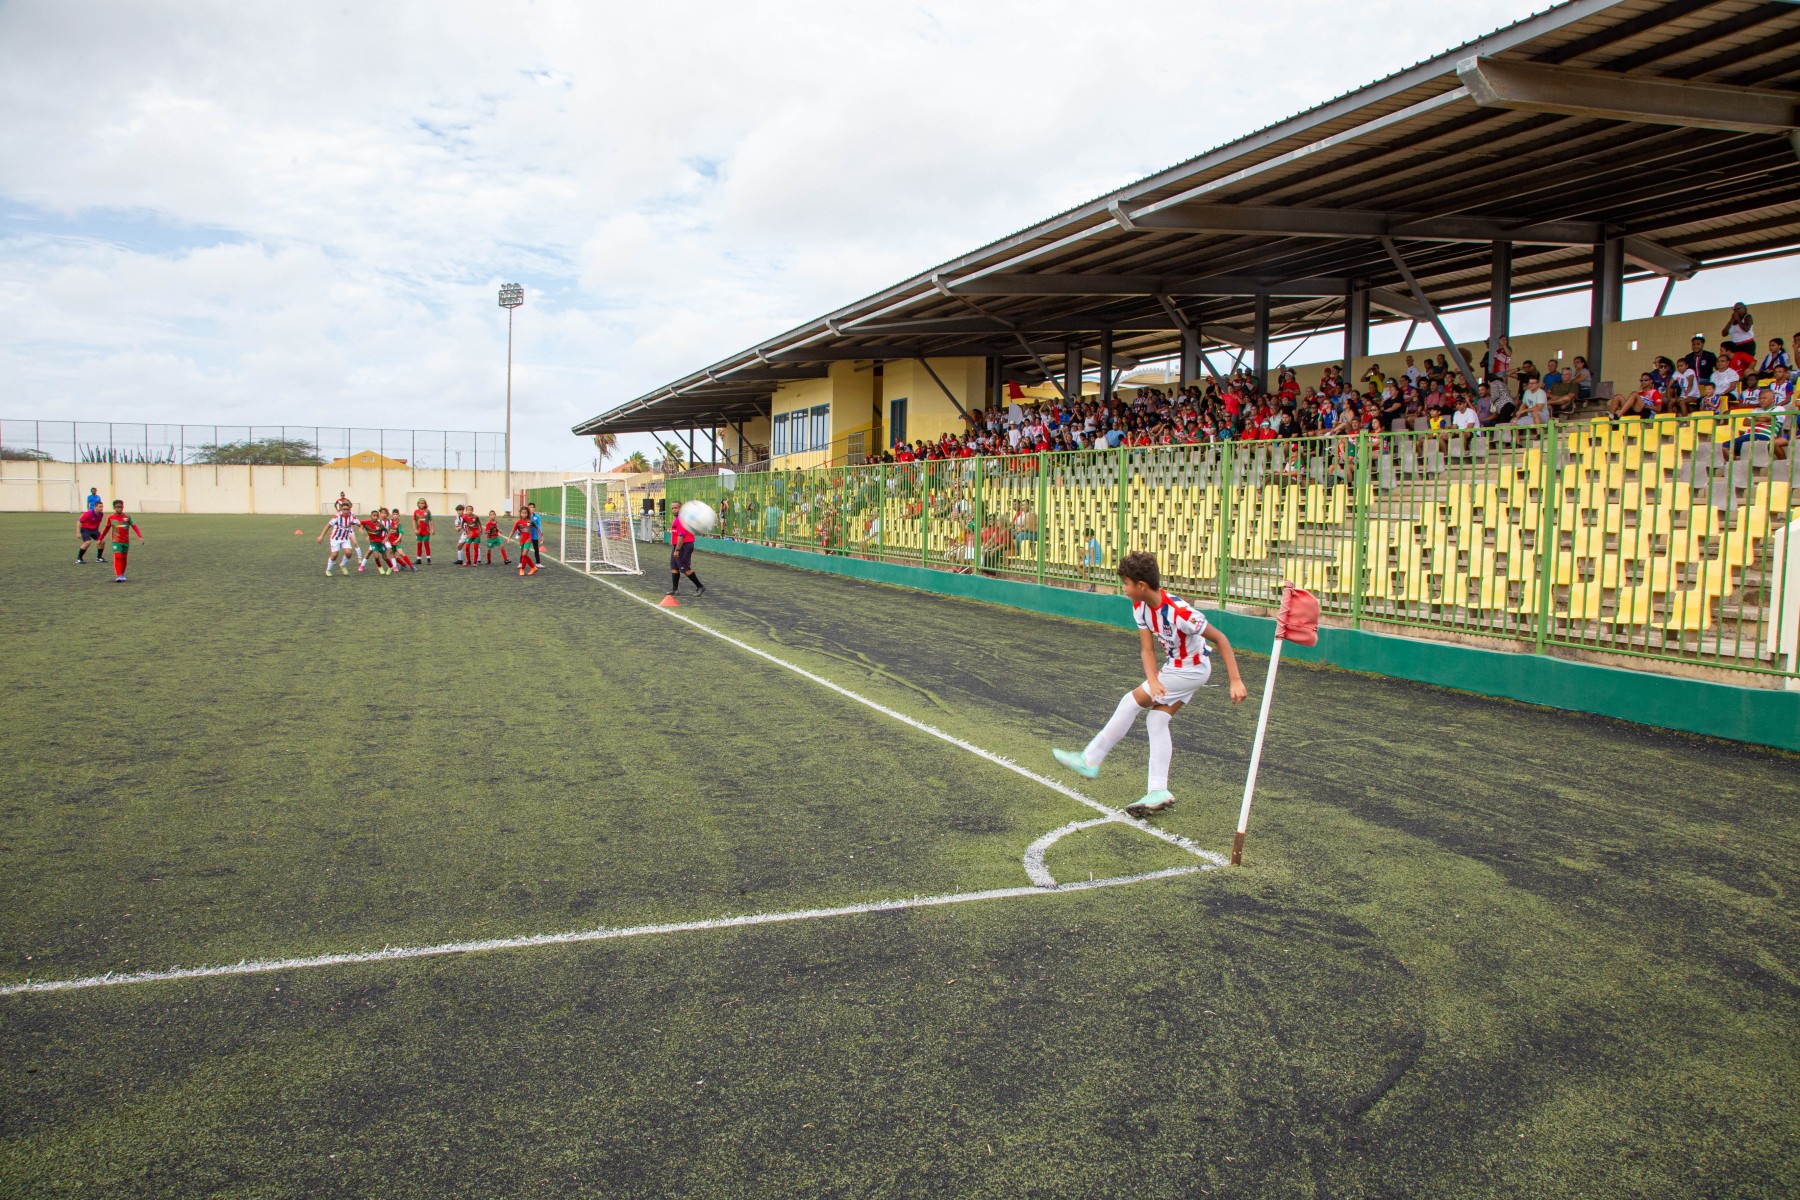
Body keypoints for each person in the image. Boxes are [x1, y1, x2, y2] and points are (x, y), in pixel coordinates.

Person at [1050, 550, 1247, 818]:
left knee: (1129, 702)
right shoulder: (1140, 607)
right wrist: (1153, 679)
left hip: (1192, 669)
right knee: (1156, 720)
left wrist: (1235, 680)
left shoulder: (1180, 612)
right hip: (1175, 666)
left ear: (1141, 585)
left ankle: (1090, 759)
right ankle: (1158, 790)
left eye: (1126, 584)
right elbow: (1147, 650)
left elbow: (1221, 639)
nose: (1124, 589)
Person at [97, 499, 143, 582]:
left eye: (121, 507)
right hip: (116, 541)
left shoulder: (127, 517)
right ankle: (118, 575)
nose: (119, 508)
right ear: (114, 508)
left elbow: (134, 526)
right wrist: (100, 538)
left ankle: (122, 574)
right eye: (117, 507)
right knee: (118, 557)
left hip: (125, 541)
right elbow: (106, 528)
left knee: (124, 558)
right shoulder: (111, 517)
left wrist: (139, 536)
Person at [668, 501, 706, 597]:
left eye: (676, 508)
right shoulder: (677, 519)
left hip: (683, 546)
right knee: (674, 567)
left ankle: (700, 586)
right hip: (677, 546)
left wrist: (677, 550)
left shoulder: (682, 520)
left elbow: (681, 535)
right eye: (672, 508)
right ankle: (675, 589)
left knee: (684, 568)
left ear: (681, 509)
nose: (674, 510)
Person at [316, 500, 360, 577]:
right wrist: (321, 536)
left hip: (345, 538)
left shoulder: (352, 517)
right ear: (341, 510)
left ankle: (342, 565)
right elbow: (328, 526)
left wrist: (361, 528)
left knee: (349, 553)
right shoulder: (337, 517)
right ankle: (328, 570)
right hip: (335, 538)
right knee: (334, 555)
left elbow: (361, 524)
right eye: (344, 509)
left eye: (347, 509)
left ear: (350, 510)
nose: (346, 511)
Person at [510, 510, 538, 575]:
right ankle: (533, 568)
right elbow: (513, 530)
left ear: (527, 514)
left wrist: (541, 535)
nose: (524, 514)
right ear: (520, 514)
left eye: (526, 513)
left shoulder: (530, 521)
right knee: (524, 556)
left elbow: (537, 528)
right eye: (523, 513)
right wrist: (509, 538)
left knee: (524, 555)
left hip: (528, 539)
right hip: (522, 540)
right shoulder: (518, 522)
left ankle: (522, 569)